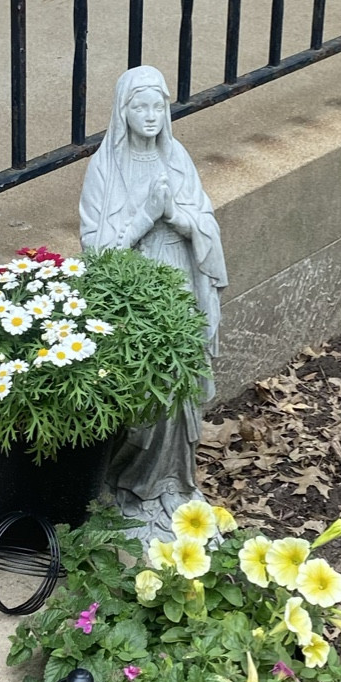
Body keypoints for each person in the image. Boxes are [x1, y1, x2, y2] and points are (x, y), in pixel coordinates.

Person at [79, 65, 227, 525]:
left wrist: (177, 218)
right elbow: (97, 251)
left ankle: (173, 484)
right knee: (144, 388)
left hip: (179, 277)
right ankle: (128, 486)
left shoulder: (176, 157)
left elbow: (204, 221)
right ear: (122, 112)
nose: (150, 116)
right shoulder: (105, 169)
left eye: (158, 106)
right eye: (140, 107)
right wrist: (146, 215)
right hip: (134, 293)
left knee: (180, 383)